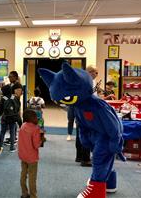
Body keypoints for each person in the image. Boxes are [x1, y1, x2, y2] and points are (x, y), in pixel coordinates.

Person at [39, 63, 124, 197]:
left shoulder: (97, 105)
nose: (62, 104)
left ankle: (97, 190)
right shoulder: (78, 106)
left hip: (106, 135)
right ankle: (109, 182)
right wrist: (84, 136)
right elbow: (81, 123)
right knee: (104, 159)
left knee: (99, 158)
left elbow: (113, 124)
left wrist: (115, 141)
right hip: (95, 134)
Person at [19, 109, 42, 198]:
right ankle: (33, 196)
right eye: (35, 116)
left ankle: (24, 193)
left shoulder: (23, 126)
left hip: (23, 155)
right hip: (32, 157)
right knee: (32, 178)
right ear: (32, 118)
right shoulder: (35, 129)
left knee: (23, 174)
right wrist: (42, 140)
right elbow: (36, 145)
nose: (37, 118)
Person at [0, 83, 23, 152]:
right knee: (12, 132)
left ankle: (0, 146)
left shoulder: (4, 98)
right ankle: (12, 147)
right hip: (12, 117)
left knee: (2, 132)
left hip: (5, 117)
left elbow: (0, 109)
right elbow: (17, 107)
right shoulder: (14, 97)